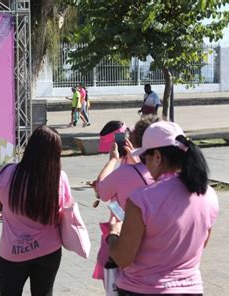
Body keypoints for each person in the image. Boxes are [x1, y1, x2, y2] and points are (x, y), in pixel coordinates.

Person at [107, 121, 219, 295]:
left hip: (142, 289)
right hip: (191, 288)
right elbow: (202, 242)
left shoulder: (141, 199)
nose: (145, 164)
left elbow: (123, 258)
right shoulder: (208, 194)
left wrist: (113, 234)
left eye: (146, 158)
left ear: (157, 157)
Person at [0, 125, 72, 295]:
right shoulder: (59, 178)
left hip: (13, 251)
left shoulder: (6, 173)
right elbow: (65, 212)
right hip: (49, 250)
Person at [91, 116, 159, 285]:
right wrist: (135, 159)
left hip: (126, 237)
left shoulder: (127, 171)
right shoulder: (168, 173)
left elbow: (102, 189)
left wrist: (114, 159)